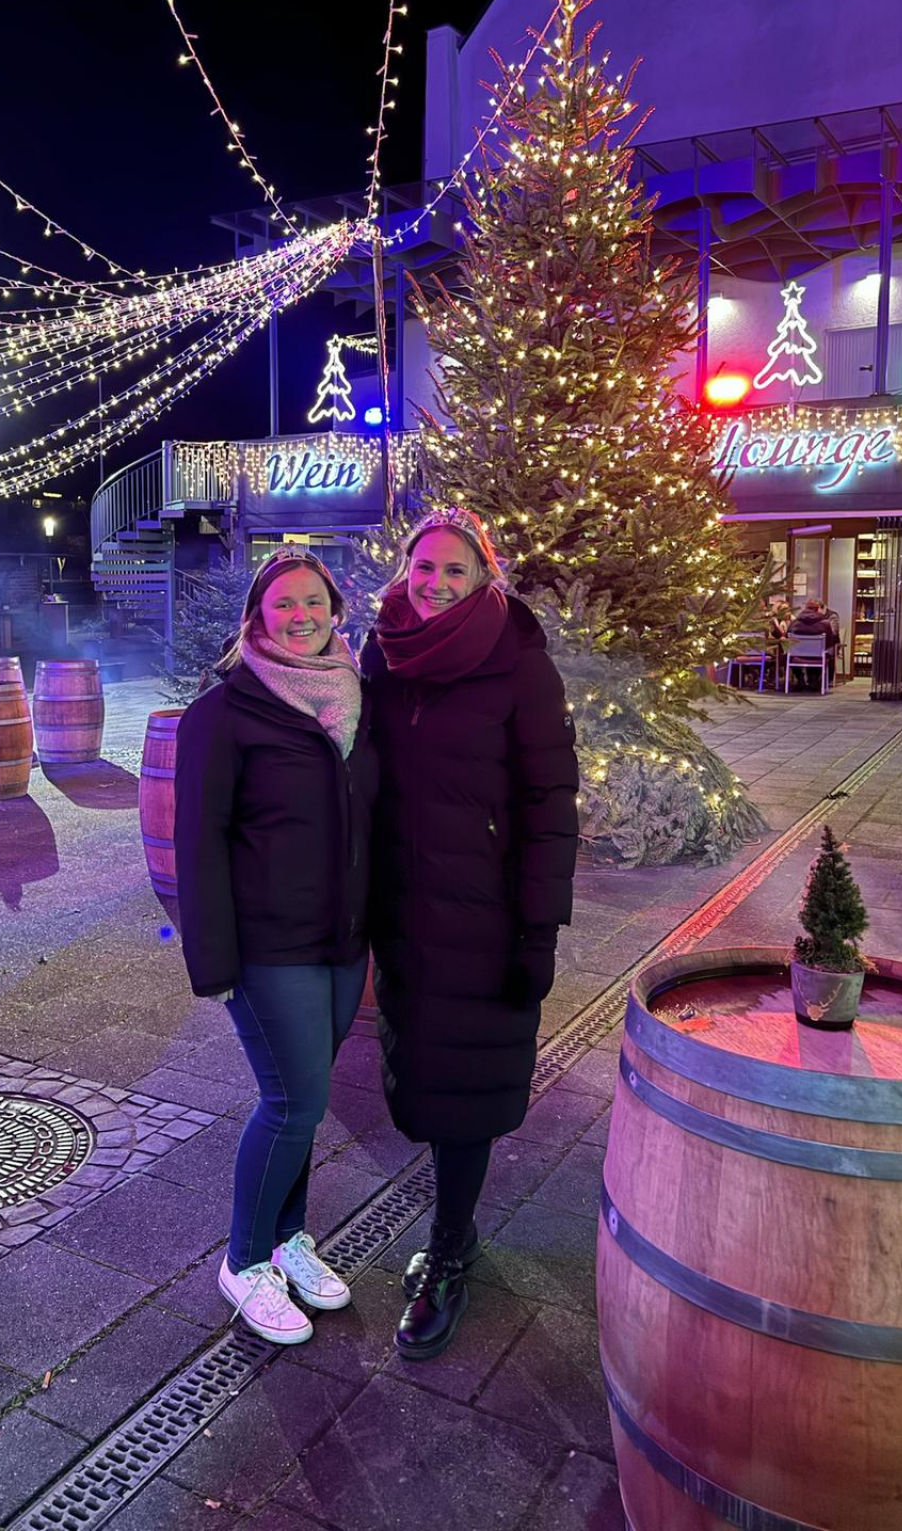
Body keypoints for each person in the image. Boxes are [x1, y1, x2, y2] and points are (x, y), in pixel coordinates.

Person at [362, 509, 579, 1360]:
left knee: (465, 1094)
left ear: (485, 576)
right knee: (419, 1075)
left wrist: (539, 929)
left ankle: (450, 1250)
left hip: (484, 917)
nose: (436, 584)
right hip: (404, 909)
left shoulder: (517, 659)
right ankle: (455, 1232)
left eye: (456, 570)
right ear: (406, 569)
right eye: (425, 567)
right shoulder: (383, 649)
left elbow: (549, 804)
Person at [174, 549, 378, 1346]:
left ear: (335, 611)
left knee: (309, 1099)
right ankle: (244, 1258)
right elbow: (200, 844)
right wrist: (214, 963)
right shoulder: (224, 713)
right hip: (268, 945)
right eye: (283, 605)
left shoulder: (354, 699)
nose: (300, 616)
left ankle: (291, 1239)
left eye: (313, 603)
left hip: (340, 941)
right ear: (256, 619)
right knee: (292, 1102)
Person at [787, 597, 839, 688]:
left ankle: (800, 678)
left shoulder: (794, 623)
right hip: (817, 655)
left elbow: (788, 635)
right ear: (817, 609)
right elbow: (830, 640)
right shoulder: (825, 624)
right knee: (826, 652)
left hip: (798, 655)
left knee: (787, 654)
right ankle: (815, 679)